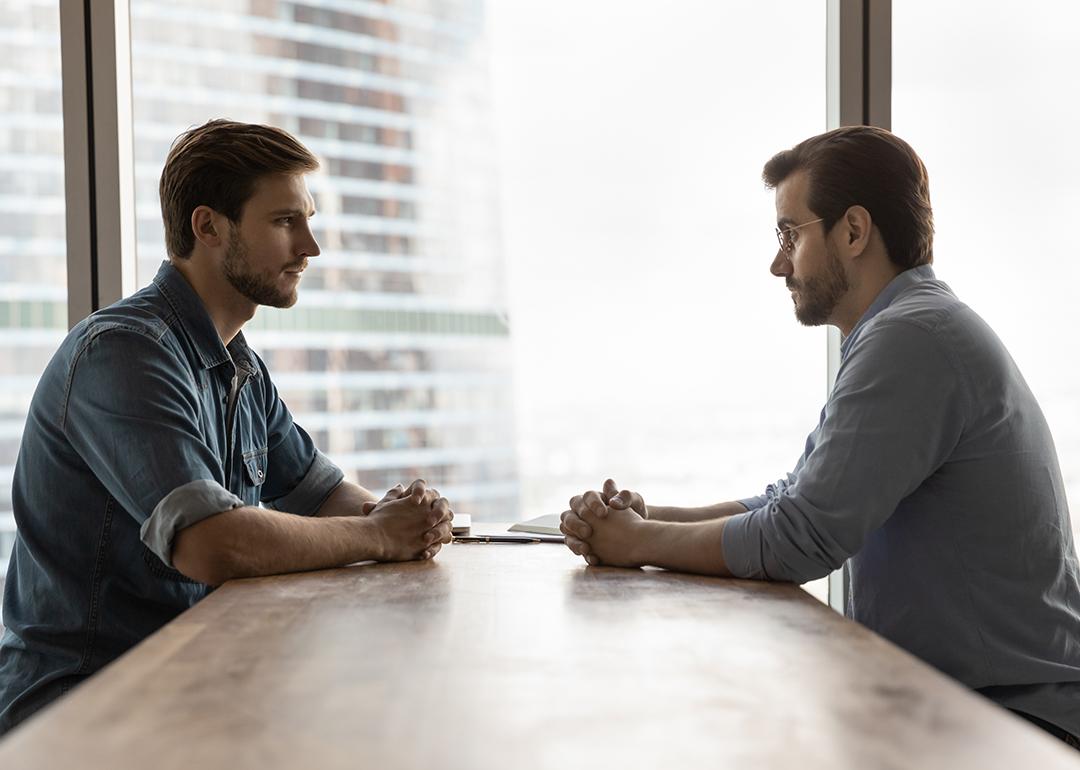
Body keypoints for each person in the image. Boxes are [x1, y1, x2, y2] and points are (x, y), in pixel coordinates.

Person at [559, 125, 1080, 747]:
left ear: (854, 231)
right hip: (968, 708)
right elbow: (795, 501)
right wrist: (649, 519)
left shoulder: (912, 339)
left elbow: (798, 539)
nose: (778, 263)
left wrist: (639, 541)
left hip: (1011, 726)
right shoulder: (907, 329)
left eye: (789, 233)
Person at [0, 120, 454, 734]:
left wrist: (409, 515)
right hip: (84, 706)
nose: (310, 247)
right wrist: (380, 536)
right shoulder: (125, 352)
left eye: (308, 220)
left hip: (185, 675)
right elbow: (212, 543)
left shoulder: (238, 363)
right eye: (284, 222)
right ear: (209, 226)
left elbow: (322, 495)